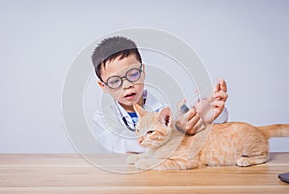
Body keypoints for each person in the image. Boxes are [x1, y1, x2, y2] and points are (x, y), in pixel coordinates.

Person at [91, 36, 228, 153]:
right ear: (103, 86)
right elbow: (121, 145)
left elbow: (206, 130)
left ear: (143, 71)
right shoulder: (103, 119)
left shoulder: (169, 109)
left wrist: (207, 113)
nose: (127, 85)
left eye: (133, 74)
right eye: (115, 81)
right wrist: (177, 131)